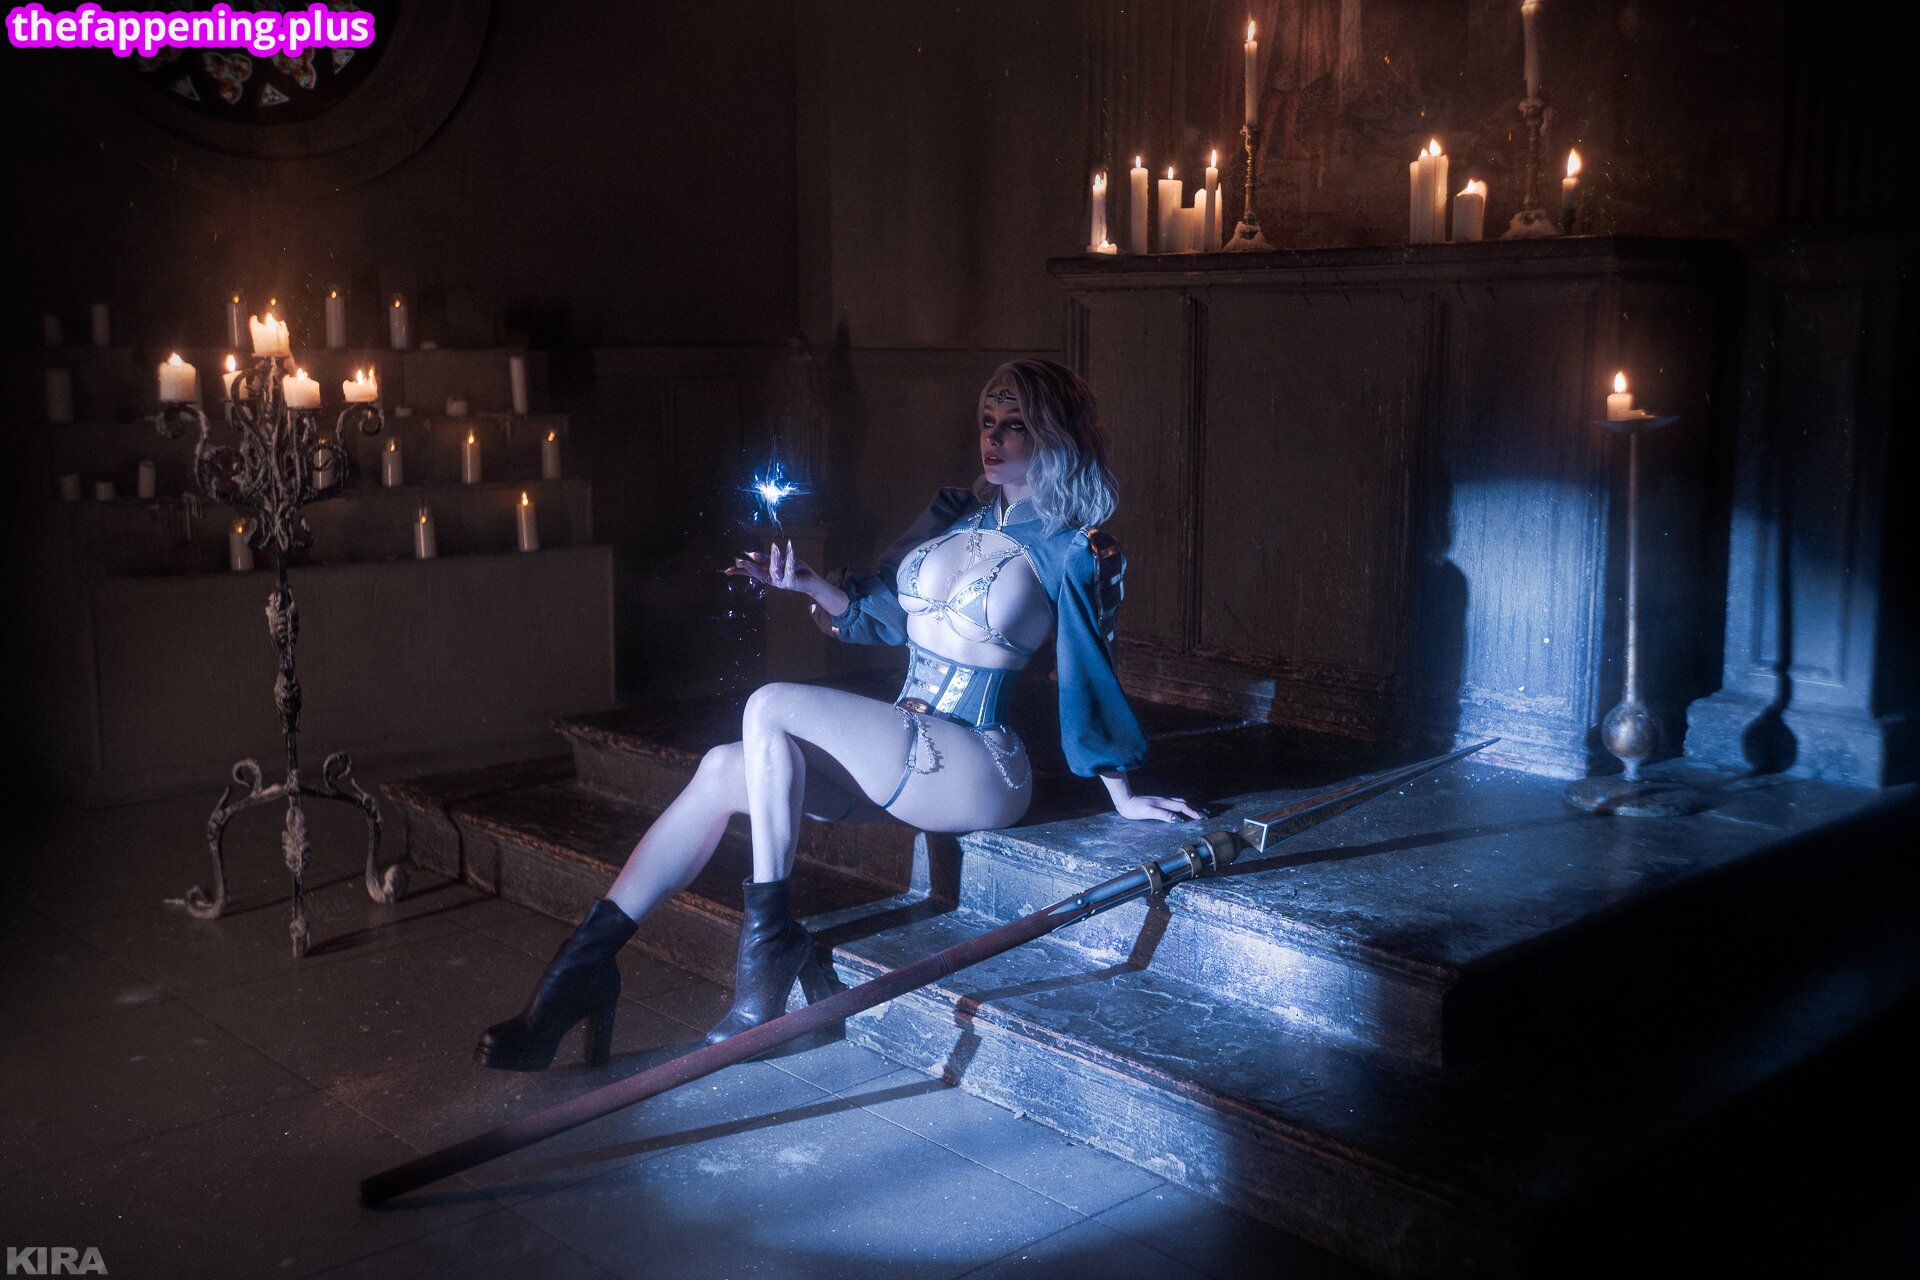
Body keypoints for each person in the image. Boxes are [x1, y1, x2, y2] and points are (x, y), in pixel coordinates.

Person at [475, 358, 1199, 1071]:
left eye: (1015, 424)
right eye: (987, 421)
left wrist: (1121, 790)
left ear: (1056, 436)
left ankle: (768, 949)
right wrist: (812, 587)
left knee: (770, 704)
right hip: (906, 747)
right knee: (723, 769)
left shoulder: (1075, 549)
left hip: (977, 764)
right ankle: (582, 971)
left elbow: (1089, 672)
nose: (994, 437)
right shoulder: (955, 515)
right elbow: (887, 620)